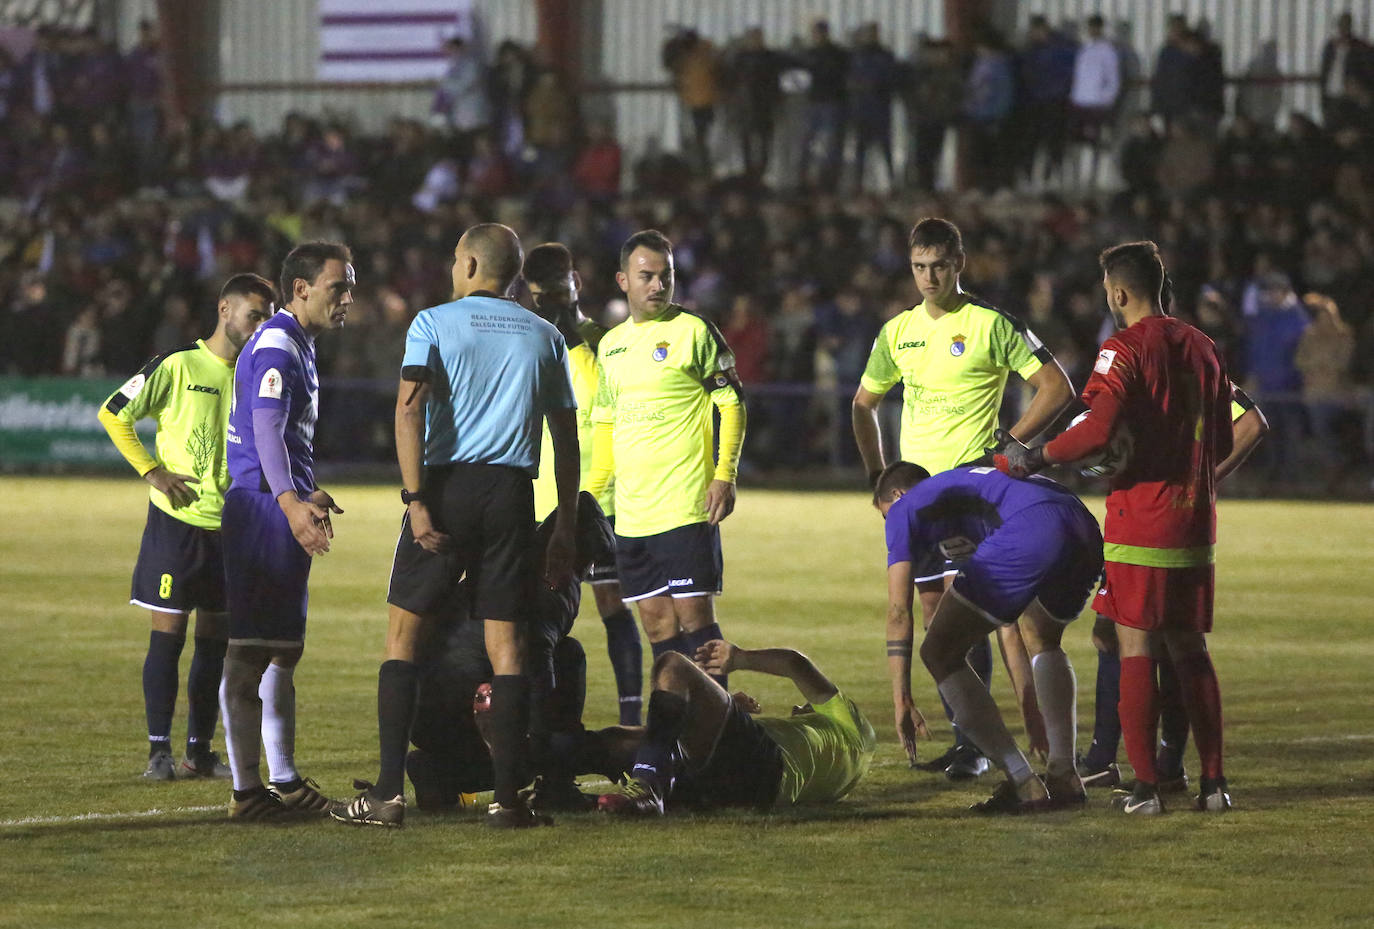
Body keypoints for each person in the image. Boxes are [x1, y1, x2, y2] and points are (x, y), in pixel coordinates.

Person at [334, 224, 579, 830]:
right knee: (509, 645)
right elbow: (567, 440)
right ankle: (507, 800)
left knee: (404, 638)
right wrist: (568, 521)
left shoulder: (433, 323)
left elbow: (409, 409)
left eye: (454, 259)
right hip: (511, 492)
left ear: (469, 265)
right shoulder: (545, 336)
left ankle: (387, 796)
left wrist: (416, 499)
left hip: (447, 487)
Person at [997, 240, 1234, 814]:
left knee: (1132, 646)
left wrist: (1036, 455)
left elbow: (1097, 431)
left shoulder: (1122, 348)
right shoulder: (1204, 348)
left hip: (1142, 522)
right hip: (1195, 525)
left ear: (1120, 293)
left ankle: (1147, 788)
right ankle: (1214, 785)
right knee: (1192, 651)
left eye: (1108, 292)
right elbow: (1223, 439)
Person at [852, 217, 1073, 779]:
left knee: (984, 612)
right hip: (920, 497)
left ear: (960, 264)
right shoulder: (897, 331)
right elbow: (863, 404)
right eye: (920, 267)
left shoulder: (990, 323)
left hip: (974, 492)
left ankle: (997, 742)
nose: (929, 277)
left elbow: (1057, 386)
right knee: (934, 614)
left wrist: (1012, 446)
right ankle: (968, 739)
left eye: (940, 266)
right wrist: (881, 477)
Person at [98, 273, 274, 780]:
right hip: (177, 525)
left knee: (215, 643)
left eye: (266, 316)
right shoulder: (179, 365)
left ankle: (199, 752)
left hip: (232, 527)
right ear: (225, 309)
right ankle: (159, 751)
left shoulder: (256, 374)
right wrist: (151, 470)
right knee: (168, 637)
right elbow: (114, 412)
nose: (260, 324)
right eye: (253, 314)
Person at [218, 242, 356, 820]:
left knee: (282, 652)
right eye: (337, 287)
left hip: (275, 504)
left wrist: (304, 490)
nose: (347, 298)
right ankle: (248, 792)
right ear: (301, 289)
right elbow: (266, 427)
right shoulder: (277, 344)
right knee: (251, 655)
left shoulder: (297, 343)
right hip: (259, 511)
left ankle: (285, 780)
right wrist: (290, 503)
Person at [875, 461, 1101, 813]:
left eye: (885, 517)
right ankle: (1064, 775)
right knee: (1041, 635)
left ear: (898, 495)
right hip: (1081, 523)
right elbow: (1004, 619)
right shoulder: (963, 495)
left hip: (1032, 526)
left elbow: (898, 612)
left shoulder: (906, 506)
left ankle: (1023, 782)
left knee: (938, 652)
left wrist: (901, 698)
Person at [1078, 383, 1268, 791]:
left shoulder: (1138, 360)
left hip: (1144, 523)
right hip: (1179, 524)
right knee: (1172, 641)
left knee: (1125, 637)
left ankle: (1121, 763)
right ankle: (1168, 765)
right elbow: (1253, 423)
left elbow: (1251, 424)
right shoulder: (1196, 361)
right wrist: (1201, 482)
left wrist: (1046, 455)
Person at [405, 493, 641, 813]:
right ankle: (549, 786)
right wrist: (563, 749)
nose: (587, 571)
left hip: (428, 709)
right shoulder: (551, 584)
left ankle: (438, 768)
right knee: (544, 734)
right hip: (458, 704)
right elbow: (537, 674)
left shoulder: (515, 559)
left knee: (562, 661)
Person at [586, 230, 746, 690]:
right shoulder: (611, 347)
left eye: (665, 276)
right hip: (632, 517)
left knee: (697, 626)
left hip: (684, 507)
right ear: (623, 281)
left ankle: (717, 735)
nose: (657, 285)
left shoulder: (694, 332)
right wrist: (590, 500)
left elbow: (732, 405)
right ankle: (678, 735)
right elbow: (605, 429)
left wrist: (725, 475)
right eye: (646, 276)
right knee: (658, 629)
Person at [525, 242, 644, 726]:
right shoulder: (534, 346)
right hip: (545, 502)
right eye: (540, 297)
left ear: (575, 282)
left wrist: (569, 329)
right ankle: (542, 723)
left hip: (602, 499)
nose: (548, 305)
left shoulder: (603, 342)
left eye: (556, 292)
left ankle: (632, 717)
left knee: (613, 606)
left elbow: (612, 408)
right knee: (541, 617)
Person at [596, 639, 876, 815]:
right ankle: (565, 782)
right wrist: (723, 707)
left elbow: (795, 664)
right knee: (620, 741)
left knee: (672, 667)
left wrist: (740, 658)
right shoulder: (839, 760)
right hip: (744, 793)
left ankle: (647, 788)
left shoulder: (849, 725)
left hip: (766, 766)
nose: (798, 706)